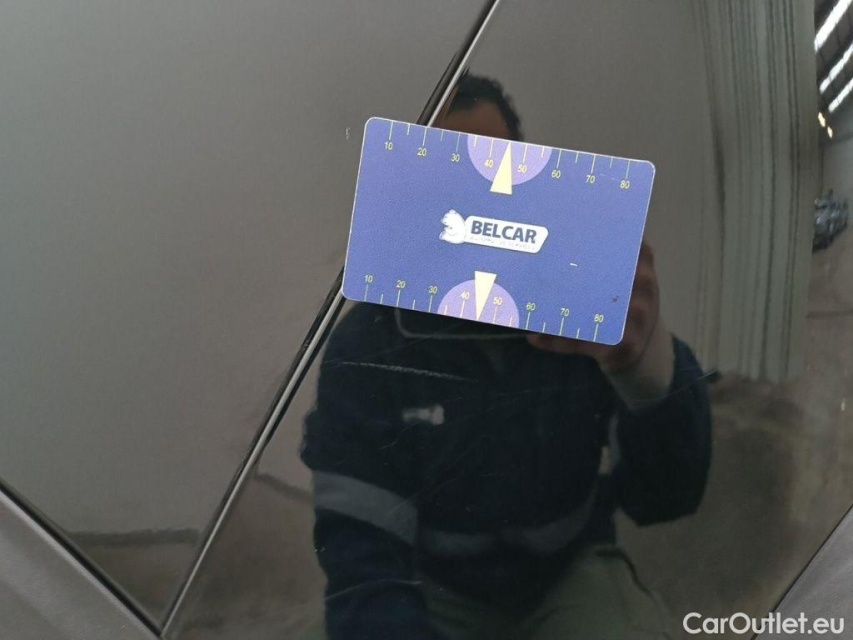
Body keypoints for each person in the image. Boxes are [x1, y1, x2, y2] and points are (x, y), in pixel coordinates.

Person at [301, 75, 712, 639]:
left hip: (570, 571)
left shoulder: (582, 309)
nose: (477, 211)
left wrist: (648, 372)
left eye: (496, 176)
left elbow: (665, 498)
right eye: (447, 182)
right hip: (433, 585)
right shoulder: (368, 345)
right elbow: (362, 558)